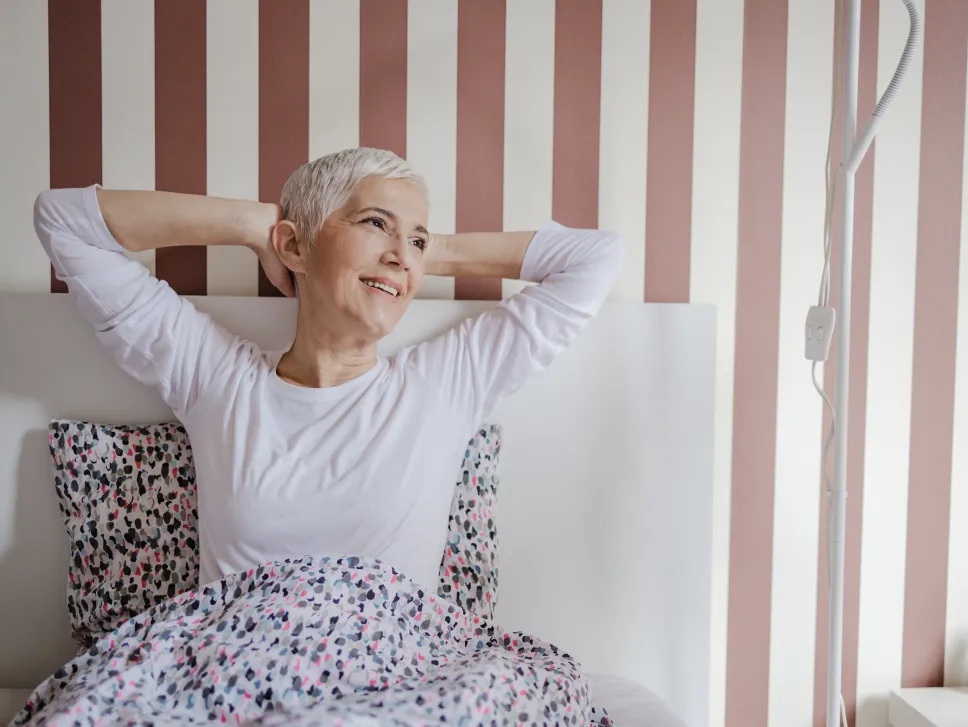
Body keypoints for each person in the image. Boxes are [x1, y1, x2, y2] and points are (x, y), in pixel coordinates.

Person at [33, 146, 625, 593]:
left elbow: (595, 257)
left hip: (393, 689)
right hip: (235, 681)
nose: (402, 254)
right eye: (374, 223)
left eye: (416, 240)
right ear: (293, 247)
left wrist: (418, 251)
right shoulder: (214, 378)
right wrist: (252, 225)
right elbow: (62, 219)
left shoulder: (446, 384)